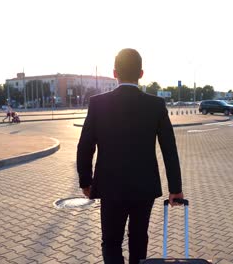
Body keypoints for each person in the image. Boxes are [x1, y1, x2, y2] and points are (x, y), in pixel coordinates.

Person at [77, 48, 184, 264]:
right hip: (144, 187)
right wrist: (175, 189)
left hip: (109, 187)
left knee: (111, 242)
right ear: (141, 74)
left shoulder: (98, 103)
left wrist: (86, 181)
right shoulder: (156, 105)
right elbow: (169, 149)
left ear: (115, 73)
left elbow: (85, 146)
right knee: (138, 239)